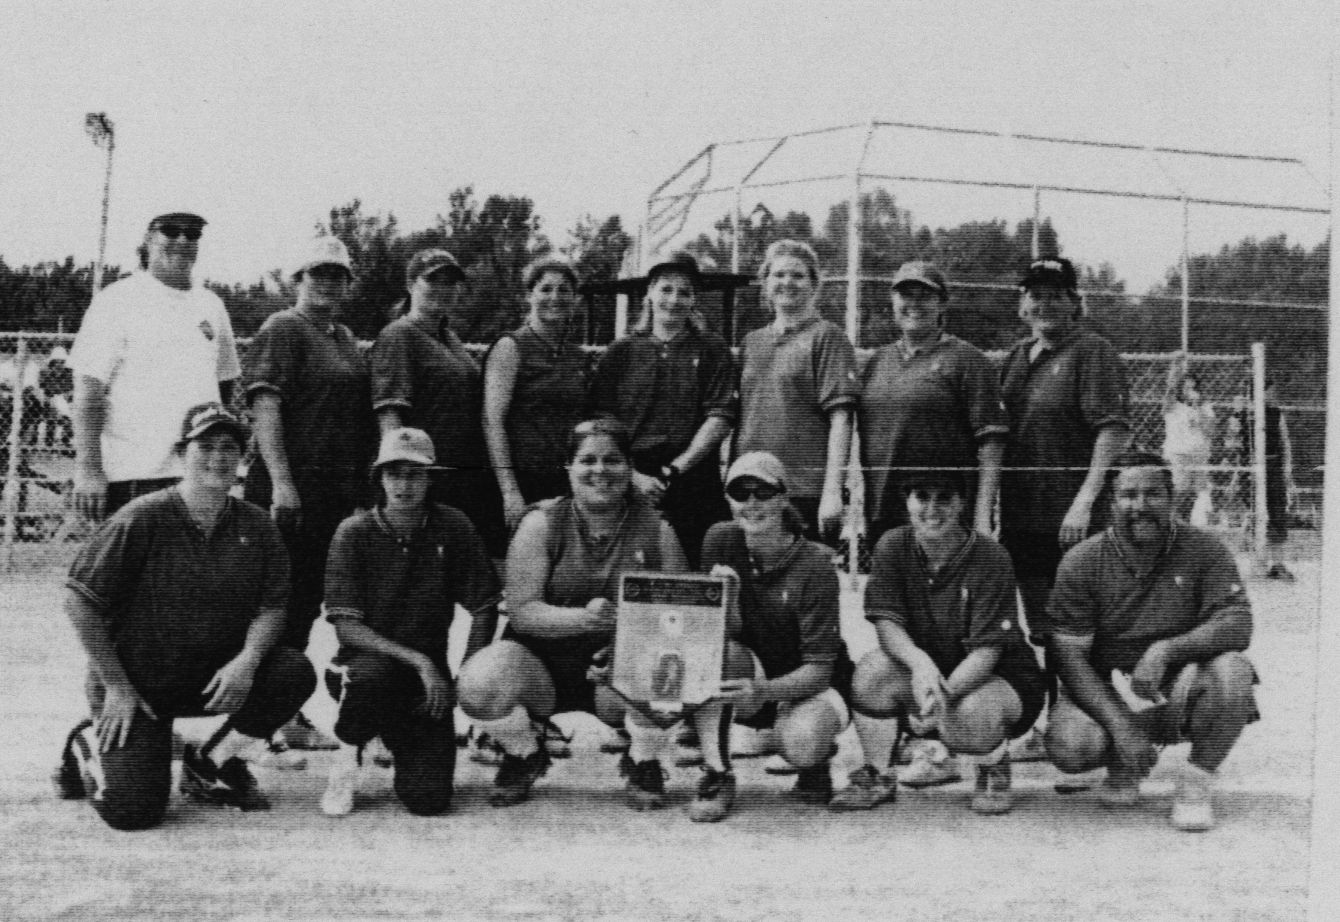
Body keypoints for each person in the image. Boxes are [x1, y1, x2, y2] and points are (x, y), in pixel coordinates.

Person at [51, 403, 315, 830]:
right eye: (204, 446)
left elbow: (272, 607)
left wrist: (248, 660)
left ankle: (209, 762)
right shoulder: (142, 516)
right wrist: (116, 685)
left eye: (229, 448)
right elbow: (79, 601)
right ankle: (87, 744)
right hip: (137, 686)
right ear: (181, 453)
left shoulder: (258, 525)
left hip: (210, 677)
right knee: (132, 812)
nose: (217, 458)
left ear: (245, 459)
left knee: (292, 671)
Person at [457, 418, 688, 808]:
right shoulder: (541, 522)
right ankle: (524, 752)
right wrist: (585, 619)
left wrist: (626, 645)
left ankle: (643, 758)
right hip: (541, 663)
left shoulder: (658, 529)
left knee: (670, 670)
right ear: (568, 467)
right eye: (588, 460)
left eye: (613, 460)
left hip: (616, 670)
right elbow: (523, 610)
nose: (600, 470)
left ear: (629, 467)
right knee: (478, 682)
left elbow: (680, 617)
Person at [1045, 451, 1258, 832]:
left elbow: (1237, 622)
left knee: (1233, 675)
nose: (1140, 506)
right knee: (1071, 747)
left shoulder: (1204, 549)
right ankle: (1123, 758)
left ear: (1171, 497)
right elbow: (1068, 659)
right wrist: (1122, 727)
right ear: (1111, 502)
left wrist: (1166, 649)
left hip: (1174, 684)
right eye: (1128, 495)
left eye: (1152, 494)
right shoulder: (1081, 560)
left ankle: (1195, 782)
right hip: (1106, 685)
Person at [829, 470, 1044, 815]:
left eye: (944, 497)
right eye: (922, 496)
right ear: (907, 501)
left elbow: (987, 651)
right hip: (932, 670)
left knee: (966, 717)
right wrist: (919, 663)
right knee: (872, 672)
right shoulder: (893, 544)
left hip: (998, 680)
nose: (932, 508)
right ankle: (878, 773)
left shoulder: (992, 556)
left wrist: (940, 698)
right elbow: (887, 623)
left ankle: (993, 762)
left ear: (961, 503)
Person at [319, 427, 502, 816]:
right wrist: (419, 662)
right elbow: (345, 626)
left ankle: (389, 734)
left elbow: (484, 605)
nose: (403, 484)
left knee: (429, 799)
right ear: (379, 478)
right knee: (374, 676)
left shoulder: (453, 526)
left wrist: (465, 674)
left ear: (430, 478)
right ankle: (348, 756)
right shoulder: (353, 532)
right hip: (362, 665)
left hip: (426, 679)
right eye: (393, 473)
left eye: (415, 474)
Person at [243, 236, 376, 748]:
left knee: (308, 605)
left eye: (337, 274)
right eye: (316, 273)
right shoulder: (283, 328)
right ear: (297, 279)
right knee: (281, 603)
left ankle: (283, 713)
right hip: (292, 491)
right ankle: (265, 721)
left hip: (334, 493)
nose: (327, 282)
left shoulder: (342, 336)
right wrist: (281, 481)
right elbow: (266, 407)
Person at [998, 257, 1129, 754]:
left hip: (1074, 518)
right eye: (1034, 293)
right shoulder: (1016, 357)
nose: (1043, 303)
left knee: (1079, 627)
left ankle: (1087, 725)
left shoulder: (1093, 351)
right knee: (1042, 627)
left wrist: (1085, 500)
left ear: (1075, 301)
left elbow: (1111, 429)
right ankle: (1052, 720)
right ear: (1021, 302)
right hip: (1023, 516)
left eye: (1056, 294)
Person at [690, 451, 855, 821]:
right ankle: (718, 771)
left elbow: (819, 670)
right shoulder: (719, 539)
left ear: (784, 497)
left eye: (763, 492)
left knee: (802, 741)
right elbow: (715, 639)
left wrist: (763, 692)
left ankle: (813, 763)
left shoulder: (815, 563)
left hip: (811, 683)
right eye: (740, 493)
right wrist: (727, 599)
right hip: (756, 671)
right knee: (717, 654)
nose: (751, 503)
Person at [69, 206, 240, 521]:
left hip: (198, 476)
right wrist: (89, 470)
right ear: (148, 240)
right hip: (133, 475)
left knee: (194, 570)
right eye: (171, 232)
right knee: (131, 570)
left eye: (192, 234)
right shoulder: (117, 299)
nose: (182, 240)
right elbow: (88, 392)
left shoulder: (211, 305)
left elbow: (224, 384)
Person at [588, 253, 735, 566]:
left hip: (693, 477)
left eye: (685, 292)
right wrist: (632, 474)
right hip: (632, 478)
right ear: (649, 294)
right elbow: (600, 420)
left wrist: (676, 468)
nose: (674, 299)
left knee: (702, 570)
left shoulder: (712, 348)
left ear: (694, 299)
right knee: (630, 572)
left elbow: (720, 415)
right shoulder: (621, 351)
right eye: (666, 289)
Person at [370, 248, 507, 559]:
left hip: (460, 478)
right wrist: (401, 482)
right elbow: (390, 416)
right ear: (410, 284)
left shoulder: (449, 337)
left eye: (450, 282)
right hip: (425, 479)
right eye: (433, 280)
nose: (443, 288)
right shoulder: (399, 335)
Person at [859, 260, 1007, 544]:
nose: (914, 304)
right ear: (892, 301)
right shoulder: (878, 361)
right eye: (906, 295)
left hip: (942, 511)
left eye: (925, 296)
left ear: (942, 304)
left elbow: (992, 443)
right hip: (884, 509)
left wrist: (982, 514)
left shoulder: (967, 360)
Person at [735, 240, 857, 544]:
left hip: (802, 491)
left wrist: (831, 493)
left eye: (798, 275)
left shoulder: (827, 337)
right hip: (750, 486)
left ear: (814, 284)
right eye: (779, 275)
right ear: (765, 282)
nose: (787, 282)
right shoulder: (752, 342)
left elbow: (841, 420)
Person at [483, 257, 588, 531]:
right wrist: (509, 491)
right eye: (545, 289)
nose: (555, 297)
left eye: (564, 289)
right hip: (522, 482)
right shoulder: (510, 347)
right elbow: (492, 422)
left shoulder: (577, 356)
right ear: (529, 295)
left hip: (567, 483)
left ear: (575, 298)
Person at [1161, 354, 1216, 525]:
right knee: (1180, 489)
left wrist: (1198, 410)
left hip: (1199, 454)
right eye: (1186, 388)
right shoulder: (1174, 406)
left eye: (1194, 388)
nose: (1191, 391)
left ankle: (1186, 523)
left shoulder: (1205, 407)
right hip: (1178, 453)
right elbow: (1169, 389)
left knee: (1197, 491)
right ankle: (1173, 521)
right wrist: (1176, 366)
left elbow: (1210, 432)